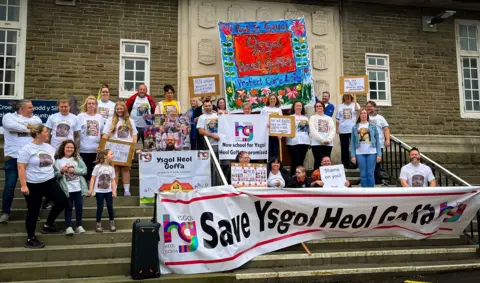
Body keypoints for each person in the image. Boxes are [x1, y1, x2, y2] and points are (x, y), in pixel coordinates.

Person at [18, 124, 68, 248]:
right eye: (46, 132)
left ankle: (48, 225)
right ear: (38, 134)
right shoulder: (26, 149)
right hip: (33, 184)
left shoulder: (49, 147)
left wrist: (61, 168)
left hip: (49, 181)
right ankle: (31, 238)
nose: (48, 134)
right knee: (33, 211)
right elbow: (21, 167)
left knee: (62, 201)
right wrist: (24, 185)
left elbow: (53, 162)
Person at [1, 100, 42, 223]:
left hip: (29, 159)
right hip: (12, 158)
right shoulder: (8, 117)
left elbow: (38, 127)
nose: (32, 109)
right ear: (21, 109)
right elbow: (10, 126)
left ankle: (33, 212)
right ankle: (5, 212)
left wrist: (22, 128)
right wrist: (29, 129)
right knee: (9, 186)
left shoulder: (37, 119)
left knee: (32, 187)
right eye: (29, 107)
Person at [102, 101, 138, 197]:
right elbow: (105, 134)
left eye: (121, 109)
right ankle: (115, 190)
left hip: (127, 149)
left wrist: (133, 148)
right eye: (117, 109)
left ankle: (127, 191)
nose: (119, 110)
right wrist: (102, 147)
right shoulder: (111, 120)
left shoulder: (130, 120)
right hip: (114, 149)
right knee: (115, 169)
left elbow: (134, 135)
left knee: (126, 169)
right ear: (115, 110)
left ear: (125, 109)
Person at [54, 140, 88, 235]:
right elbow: (55, 175)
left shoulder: (77, 159)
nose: (70, 149)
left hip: (78, 188)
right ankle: (68, 226)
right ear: (63, 148)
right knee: (68, 207)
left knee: (79, 207)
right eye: (68, 147)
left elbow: (85, 171)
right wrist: (61, 171)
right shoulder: (58, 161)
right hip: (67, 189)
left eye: (72, 148)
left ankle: (79, 225)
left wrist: (75, 170)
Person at [350, 109, 382, 188]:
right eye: (362, 113)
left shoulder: (372, 126)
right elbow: (352, 142)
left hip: (372, 152)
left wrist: (379, 154)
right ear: (359, 115)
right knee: (363, 173)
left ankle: (371, 191)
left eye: (365, 113)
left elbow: (377, 141)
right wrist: (353, 155)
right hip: (360, 153)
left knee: (370, 173)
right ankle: (364, 191)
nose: (363, 114)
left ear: (367, 115)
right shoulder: (355, 127)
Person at [88, 149, 117, 233]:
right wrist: (91, 189)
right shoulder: (98, 167)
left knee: (110, 206)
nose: (113, 156)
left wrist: (114, 191)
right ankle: (98, 223)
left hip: (108, 191)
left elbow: (113, 180)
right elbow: (93, 178)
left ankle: (112, 222)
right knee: (100, 207)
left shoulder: (111, 168)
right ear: (105, 156)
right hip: (99, 191)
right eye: (111, 154)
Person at [78, 96, 104, 182]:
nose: (91, 105)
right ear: (86, 105)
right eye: (89, 103)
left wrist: (101, 147)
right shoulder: (80, 116)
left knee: (94, 172)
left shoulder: (100, 117)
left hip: (96, 150)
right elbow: (77, 133)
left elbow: (102, 133)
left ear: (96, 105)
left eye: (93, 103)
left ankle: (93, 189)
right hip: (84, 149)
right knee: (85, 172)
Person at [366, 101, 391, 184]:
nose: (369, 108)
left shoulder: (380, 118)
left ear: (374, 107)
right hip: (367, 144)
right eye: (367, 106)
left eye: (370, 106)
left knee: (377, 162)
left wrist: (387, 139)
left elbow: (386, 129)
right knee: (368, 162)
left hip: (378, 143)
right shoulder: (364, 117)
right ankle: (370, 179)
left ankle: (377, 179)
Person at [336, 94, 360, 169]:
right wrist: (337, 128)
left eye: (348, 96)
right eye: (345, 96)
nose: (347, 97)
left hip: (353, 129)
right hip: (343, 130)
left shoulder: (355, 104)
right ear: (343, 97)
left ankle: (355, 164)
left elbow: (358, 111)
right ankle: (345, 164)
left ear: (351, 97)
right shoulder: (340, 106)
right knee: (344, 147)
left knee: (355, 146)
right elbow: (337, 118)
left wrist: (355, 100)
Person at [309, 101, 335, 171]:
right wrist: (321, 140)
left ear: (323, 107)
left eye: (320, 106)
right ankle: (317, 180)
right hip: (317, 144)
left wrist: (329, 139)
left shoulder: (329, 118)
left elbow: (332, 130)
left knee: (327, 163)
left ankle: (327, 179)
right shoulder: (313, 117)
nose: (318, 107)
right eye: (317, 106)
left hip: (328, 144)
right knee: (318, 162)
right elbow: (312, 130)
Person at [286, 101, 310, 176]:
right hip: (292, 142)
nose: (299, 107)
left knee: (301, 161)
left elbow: (308, 131)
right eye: (297, 105)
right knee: (295, 160)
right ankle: (293, 177)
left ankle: (300, 177)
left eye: (300, 105)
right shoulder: (290, 117)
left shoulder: (305, 118)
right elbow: (285, 129)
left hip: (304, 142)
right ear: (294, 107)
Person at [261, 94, 283, 160]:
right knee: (267, 151)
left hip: (275, 134)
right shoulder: (264, 109)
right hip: (266, 133)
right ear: (269, 100)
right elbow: (260, 120)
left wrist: (280, 134)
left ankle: (274, 166)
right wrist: (265, 124)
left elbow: (282, 121)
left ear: (276, 100)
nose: (272, 100)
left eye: (274, 99)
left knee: (275, 152)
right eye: (271, 99)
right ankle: (267, 167)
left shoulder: (279, 110)